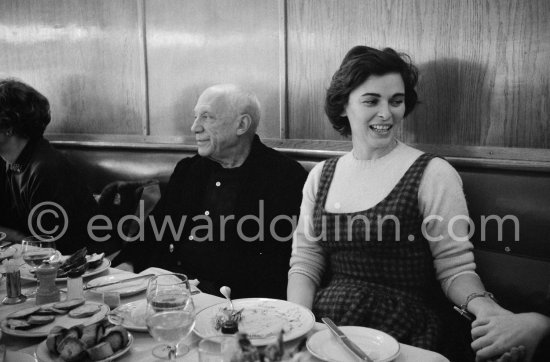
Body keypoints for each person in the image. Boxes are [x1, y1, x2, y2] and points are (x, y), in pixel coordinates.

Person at [286, 46, 514, 361]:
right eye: (371, 101)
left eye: (396, 101)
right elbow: (306, 262)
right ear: (342, 106)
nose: (386, 113)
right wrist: (299, 325)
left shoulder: (433, 172)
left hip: (403, 331)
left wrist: (486, 309)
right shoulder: (322, 175)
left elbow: (455, 268)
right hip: (330, 326)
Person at [114, 84, 307, 299]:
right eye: (196, 117)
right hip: (167, 289)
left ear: (241, 125)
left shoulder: (284, 177)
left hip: (233, 303)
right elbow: (155, 228)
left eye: (206, 117)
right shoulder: (189, 169)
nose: (194, 127)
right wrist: (127, 264)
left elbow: (278, 265)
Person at [0, 79, 101, 254]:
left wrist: (15, 237)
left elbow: (48, 249)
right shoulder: (10, 162)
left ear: (8, 126)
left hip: (83, 268)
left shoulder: (45, 169)